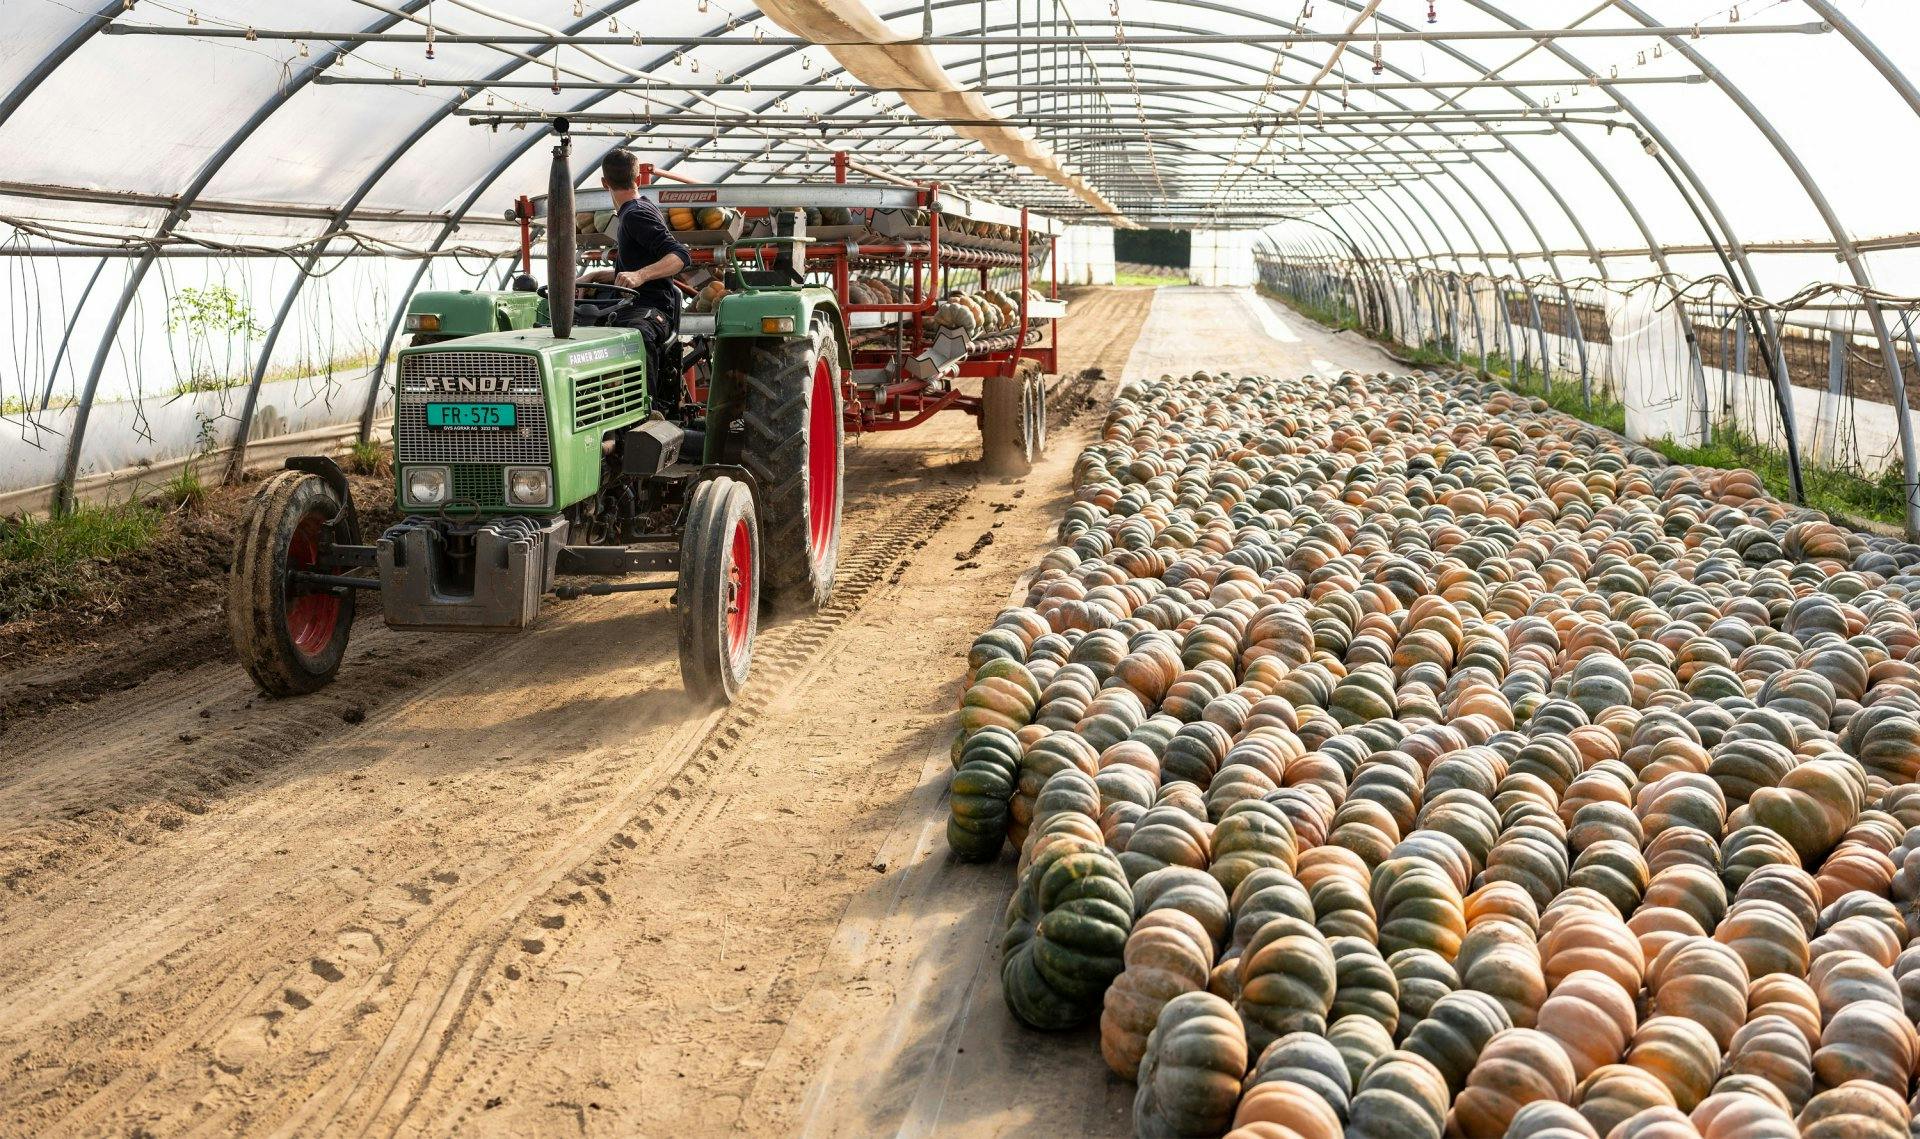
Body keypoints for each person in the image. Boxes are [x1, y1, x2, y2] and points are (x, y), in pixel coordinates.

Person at [578, 148, 692, 411]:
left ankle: (646, 411)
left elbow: (680, 255)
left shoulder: (636, 214)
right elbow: (632, 269)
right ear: (638, 179)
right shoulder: (635, 211)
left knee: (634, 335)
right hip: (632, 304)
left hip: (652, 309)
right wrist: (597, 275)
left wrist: (640, 275)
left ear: (604, 183)